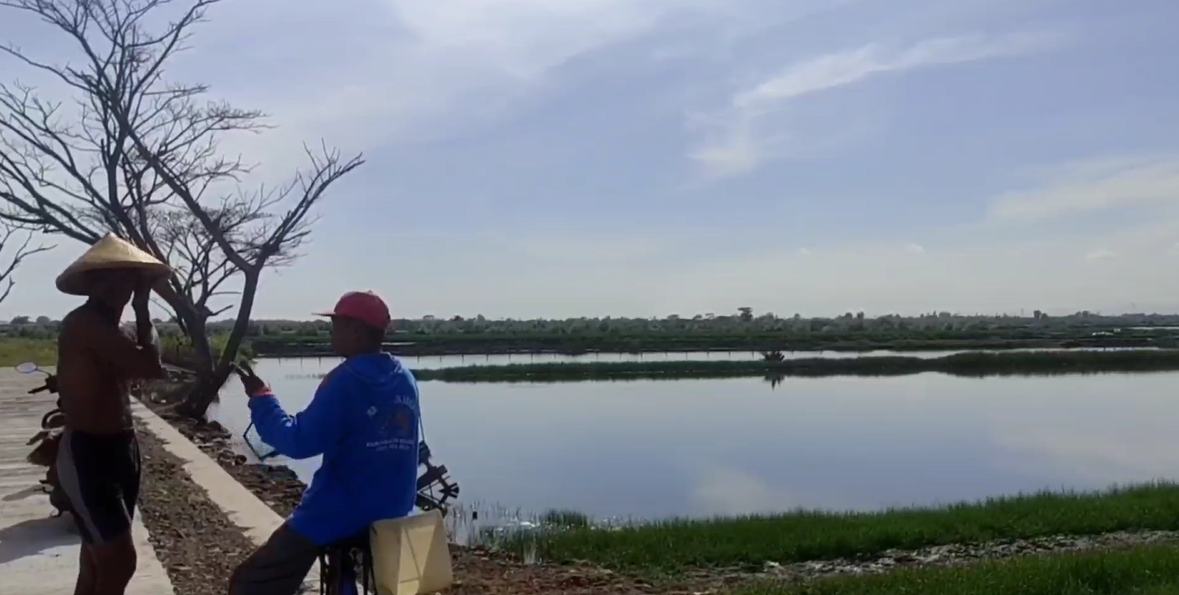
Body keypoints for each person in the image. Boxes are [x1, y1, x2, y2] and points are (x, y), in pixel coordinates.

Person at [229, 291, 421, 595]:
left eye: (337, 325)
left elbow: (298, 442)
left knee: (249, 584)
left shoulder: (346, 379)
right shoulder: (405, 378)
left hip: (339, 512)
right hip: (395, 509)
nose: (331, 333)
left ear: (355, 330)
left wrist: (263, 399)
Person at [54, 234, 170, 595]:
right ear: (92, 284)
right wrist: (143, 310)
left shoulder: (116, 330)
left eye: (127, 277)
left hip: (122, 448)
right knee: (120, 561)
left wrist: (140, 315)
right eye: (109, 277)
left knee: (96, 559)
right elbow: (150, 366)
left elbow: (147, 359)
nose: (118, 286)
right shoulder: (84, 323)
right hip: (88, 452)